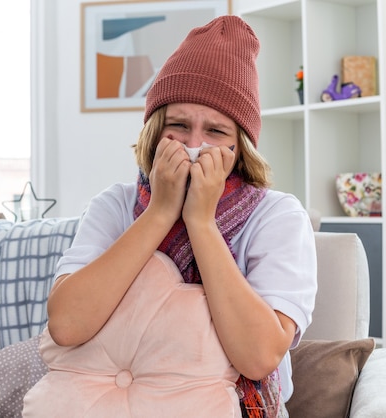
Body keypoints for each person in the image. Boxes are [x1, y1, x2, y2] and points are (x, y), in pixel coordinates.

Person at [44, 15, 316, 417]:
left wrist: (201, 224)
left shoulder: (277, 216)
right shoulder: (114, 206)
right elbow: (66, 325)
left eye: (217, 132)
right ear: (155, 132)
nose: (194, 145)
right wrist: (159, 213)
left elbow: (260, 357)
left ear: (239, 149)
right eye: (178, 125)